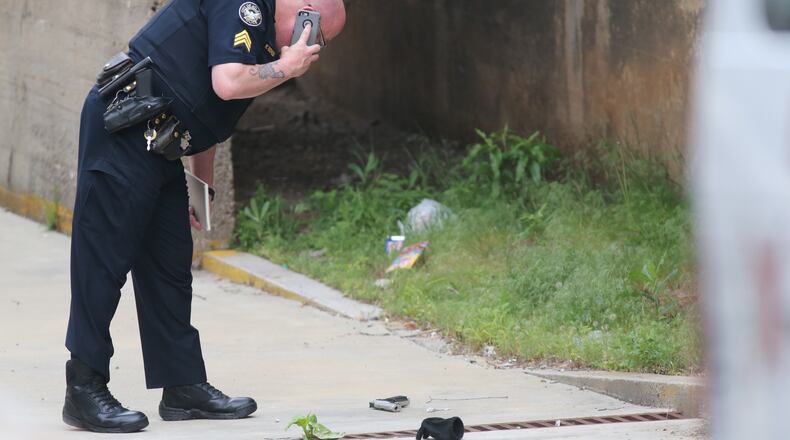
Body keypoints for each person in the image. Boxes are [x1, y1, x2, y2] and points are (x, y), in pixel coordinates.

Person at [63, 0, 346, 433]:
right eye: (320, 34)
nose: (315, 46)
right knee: (103, 259)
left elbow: (210, 111)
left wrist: (202, 189)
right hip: (125, 127)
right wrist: (287, 68)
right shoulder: (245, 6)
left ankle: (182, 387)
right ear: (306, 12)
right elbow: (228, 83)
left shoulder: (266, 44)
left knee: (170, 265)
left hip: (162, 140)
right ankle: (83, 389)